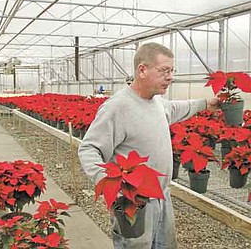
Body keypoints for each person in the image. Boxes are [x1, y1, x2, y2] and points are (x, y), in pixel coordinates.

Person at [78, 42, 218, 249]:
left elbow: (178, 108)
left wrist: (206, 103)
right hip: (135, 203)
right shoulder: (118, 107)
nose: (170, 77)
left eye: (172, 71)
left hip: (162, 197)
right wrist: (114, 188)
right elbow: (89, 149)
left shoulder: (157, 103)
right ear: (142, 70)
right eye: (164, 71)